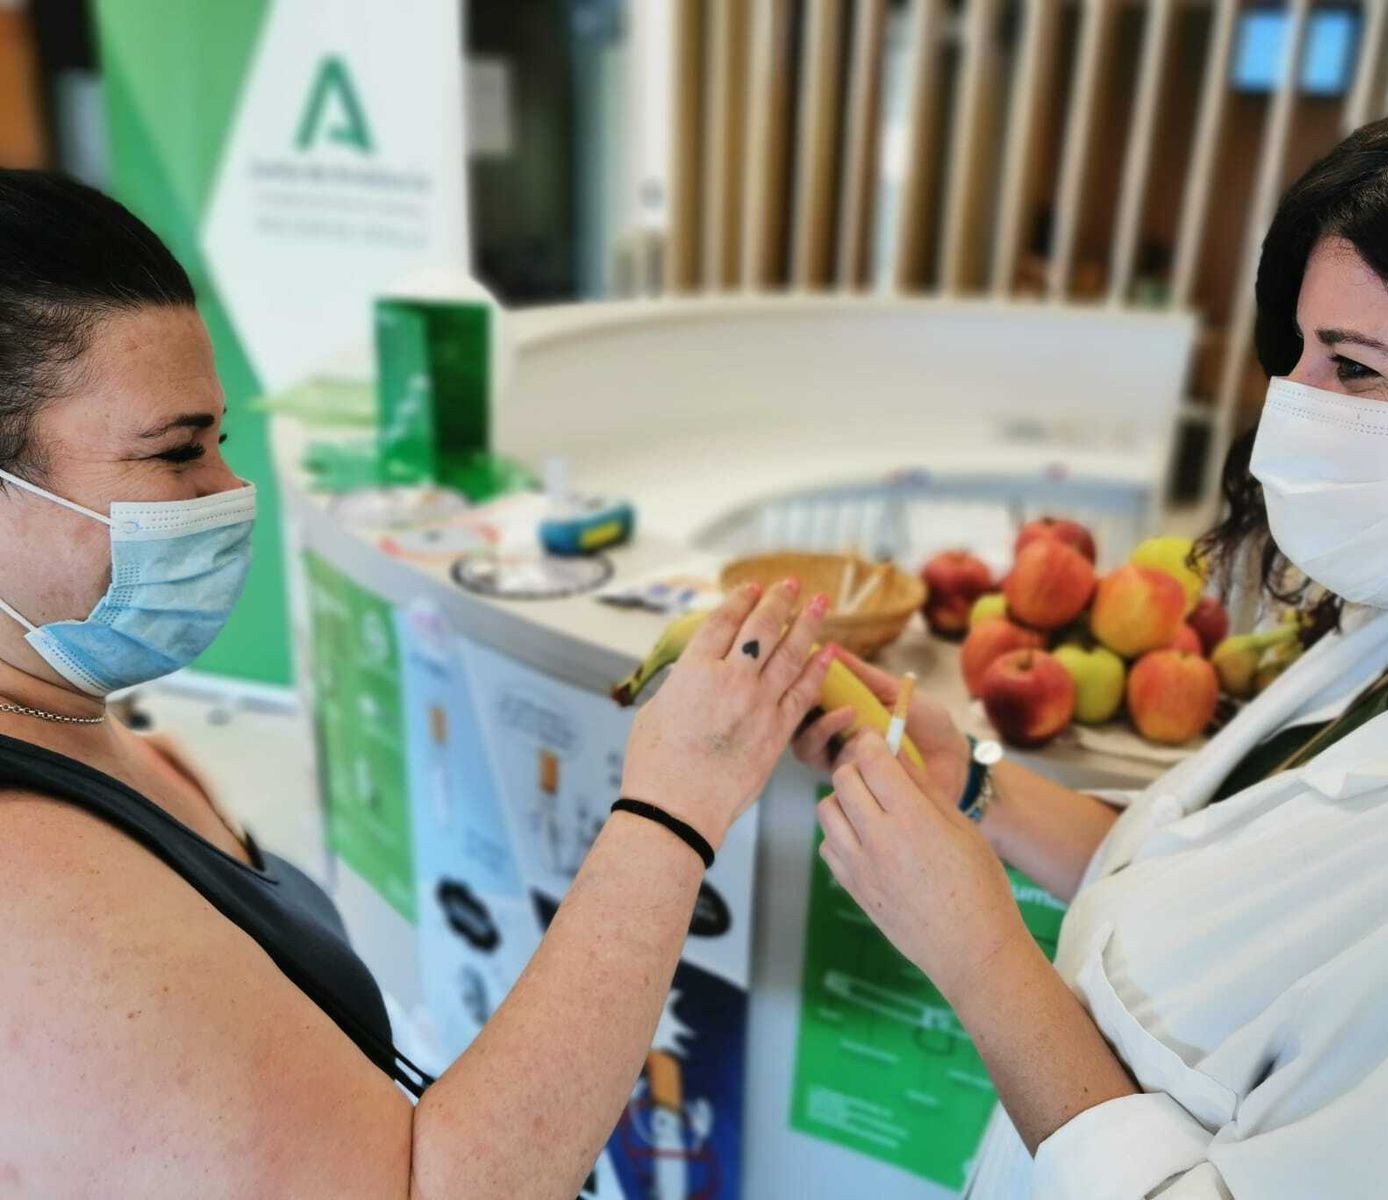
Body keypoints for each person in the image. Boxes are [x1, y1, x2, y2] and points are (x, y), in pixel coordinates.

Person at [793, 47, 1388, 1198]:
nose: (1294, 417)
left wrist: (976, 955)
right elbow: (1203, 903)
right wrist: (977, 786)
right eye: (1300, 356)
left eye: (1358, 371)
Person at [0, 170, 838, 1196]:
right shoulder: (29, 893)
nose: (230, 493)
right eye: (176, 453)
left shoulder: (68, 711)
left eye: (219, 440)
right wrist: (673, 807)